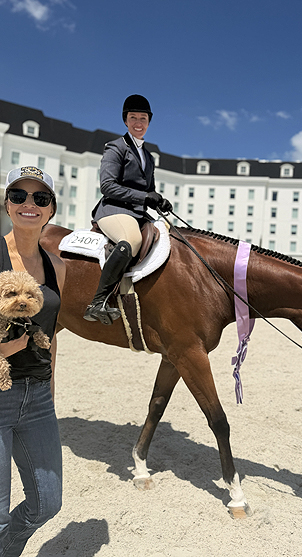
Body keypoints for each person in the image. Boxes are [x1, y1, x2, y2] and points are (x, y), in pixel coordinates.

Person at [0, 166, 66, 556]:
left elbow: (52, 336)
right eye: (18, 195)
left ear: (51, 209)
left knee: (47, 504)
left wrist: (50, 395)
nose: (29, 203)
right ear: (7, 204)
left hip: (38, 398)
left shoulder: (58, 267)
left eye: (40, 198)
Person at [83, 94, 172, 326]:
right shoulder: (116, 147)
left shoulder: (148, 157)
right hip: (113, 210)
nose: (138, 123)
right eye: (133, 118)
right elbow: (107, 186)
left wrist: (159, 201)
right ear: (125, 120)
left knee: (169, 235)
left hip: (137, 213)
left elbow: (148, 191)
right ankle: (98, 301)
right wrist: (144, 197)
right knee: (132, 239)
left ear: (149, 122)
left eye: (143, 118)